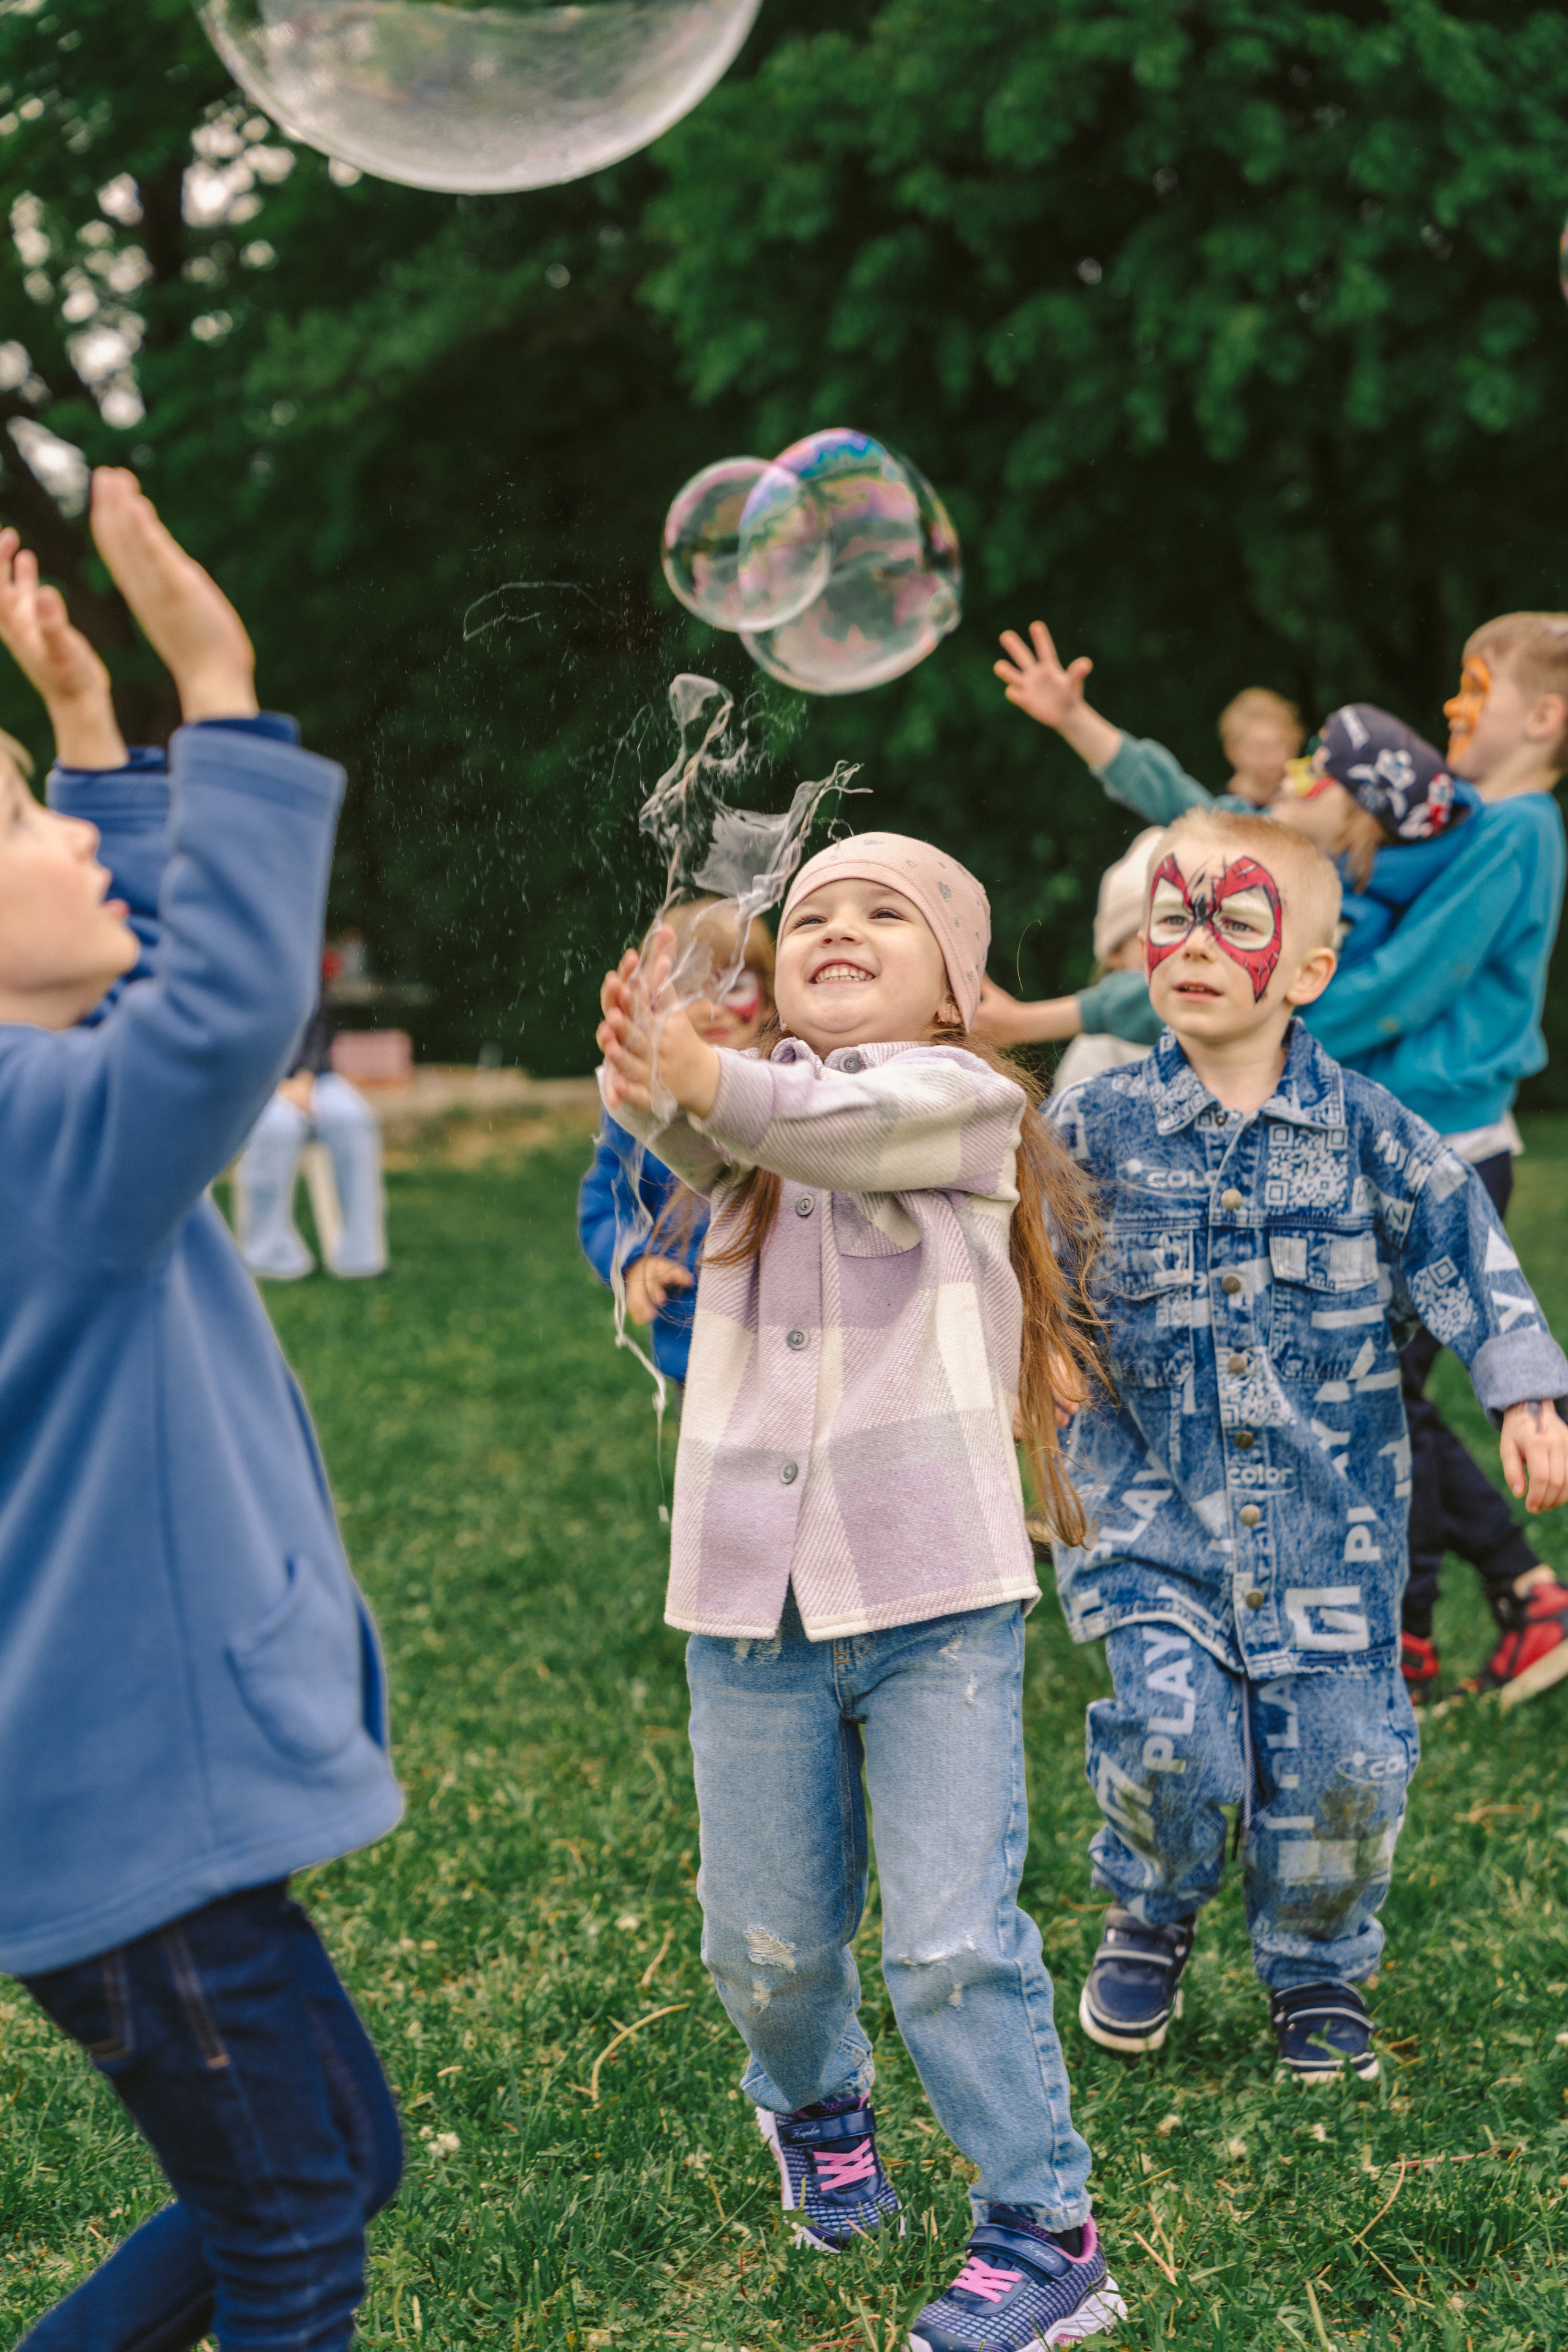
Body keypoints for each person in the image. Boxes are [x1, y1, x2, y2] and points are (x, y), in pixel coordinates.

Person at [596, 833, 1125, 2352]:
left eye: (881, 913)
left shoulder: (961, 1101)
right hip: (746, 1607)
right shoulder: (760, 1117)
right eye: (812, 910)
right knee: (761, 1945)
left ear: (954, 988)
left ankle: (1042, 2233)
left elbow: (833, 1125)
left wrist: (706, 1076)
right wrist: (645, 1068)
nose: (833, 924)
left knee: (950, 1941)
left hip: (934, 1600)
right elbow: (704, 1133)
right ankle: (818, 2114)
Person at [0, 475, 404, 2352]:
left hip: (98, 1804)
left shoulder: (37, 1110)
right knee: (296, 2234)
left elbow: (126, 983)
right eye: (24, 822)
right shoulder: (42, 1138)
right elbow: (221, 1009)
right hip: (129, 1813)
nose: (73, 840)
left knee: (335, 2163)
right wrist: (217, 687)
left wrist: (89, 728)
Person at [1048, 807, 1568, 2081]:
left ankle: (1316, 1962)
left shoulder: (1373, 1134)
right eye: (1172, 916)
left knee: (1345, 1764)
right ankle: (1151, 1910)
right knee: (1173, 1744)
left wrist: (1523, 1397)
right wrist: (1036, 1349)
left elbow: (1465, 1252)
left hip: (1332, 1530)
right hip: (1150, 1524)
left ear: (1308, 970)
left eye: (1233, 919)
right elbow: (1020, 1263)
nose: (1193, 941)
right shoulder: (1087, 1130)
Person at [997, 617, 1568, 1703]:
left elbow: (1400, 985)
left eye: (1476, 689)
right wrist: (1082, 725)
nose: (1454, 706)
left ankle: (1437, 1618)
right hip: (1334, 1129)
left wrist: (1264, 1020)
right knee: (1362, 1386)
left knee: (1375, 1392)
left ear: (1545, 717)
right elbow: (1203, 818)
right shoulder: (1426, 835)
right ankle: (1462, 1609)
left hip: (1428, 1143)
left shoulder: (1512, 831)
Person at [578, 899, 775, 1401]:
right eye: (687, 989)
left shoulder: (792, 1089)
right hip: (695, 1342)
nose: (710, 1007)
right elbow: (607, 1202)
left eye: (733, 985)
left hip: (790, 1342)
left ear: (770, 1000)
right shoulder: (643, 1104)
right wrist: (633, 1261)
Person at [975, 827, 1164, 1084]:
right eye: (1160, 929)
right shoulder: (1096, 1049)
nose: (1182, 949)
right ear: (1116, 953)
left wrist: (1024, 1022)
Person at [234, 976, 389, 1281]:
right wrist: (274, 1084)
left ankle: (360, 1255)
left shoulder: (304, 965)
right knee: (278, 1127)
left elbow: (319, 1026)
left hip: (315, 1077)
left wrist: (305, 1076)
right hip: (250, 1084)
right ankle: (268, 1254)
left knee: (352, 1118)